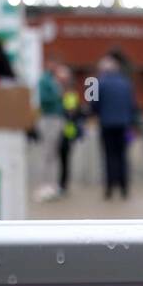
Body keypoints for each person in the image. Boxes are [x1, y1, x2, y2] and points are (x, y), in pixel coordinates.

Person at [92, 54, 137, 199]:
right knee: (122, 155)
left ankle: (109, 188)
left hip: (106, 123)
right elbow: (132, 105)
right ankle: (124, 187)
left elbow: (93, 103)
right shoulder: (126, 83)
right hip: (123, 124)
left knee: (109, 156)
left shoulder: (98, 82)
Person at [35, 61, 65, 199]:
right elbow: (44, 99)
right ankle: (44, 185)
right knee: (47, 153)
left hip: (57, 118)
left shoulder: (54, 82)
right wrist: (57, 94)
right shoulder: (45, 81)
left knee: (53, 153)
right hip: (48, 119)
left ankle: (52, 184)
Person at [56, 67, 83, 197]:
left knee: (64, 158)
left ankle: (63, 184)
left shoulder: (70, 95)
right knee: (60, 158)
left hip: (67, 131)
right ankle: (60, 183)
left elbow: (72, 112)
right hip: (63, 129)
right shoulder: (64, 93)